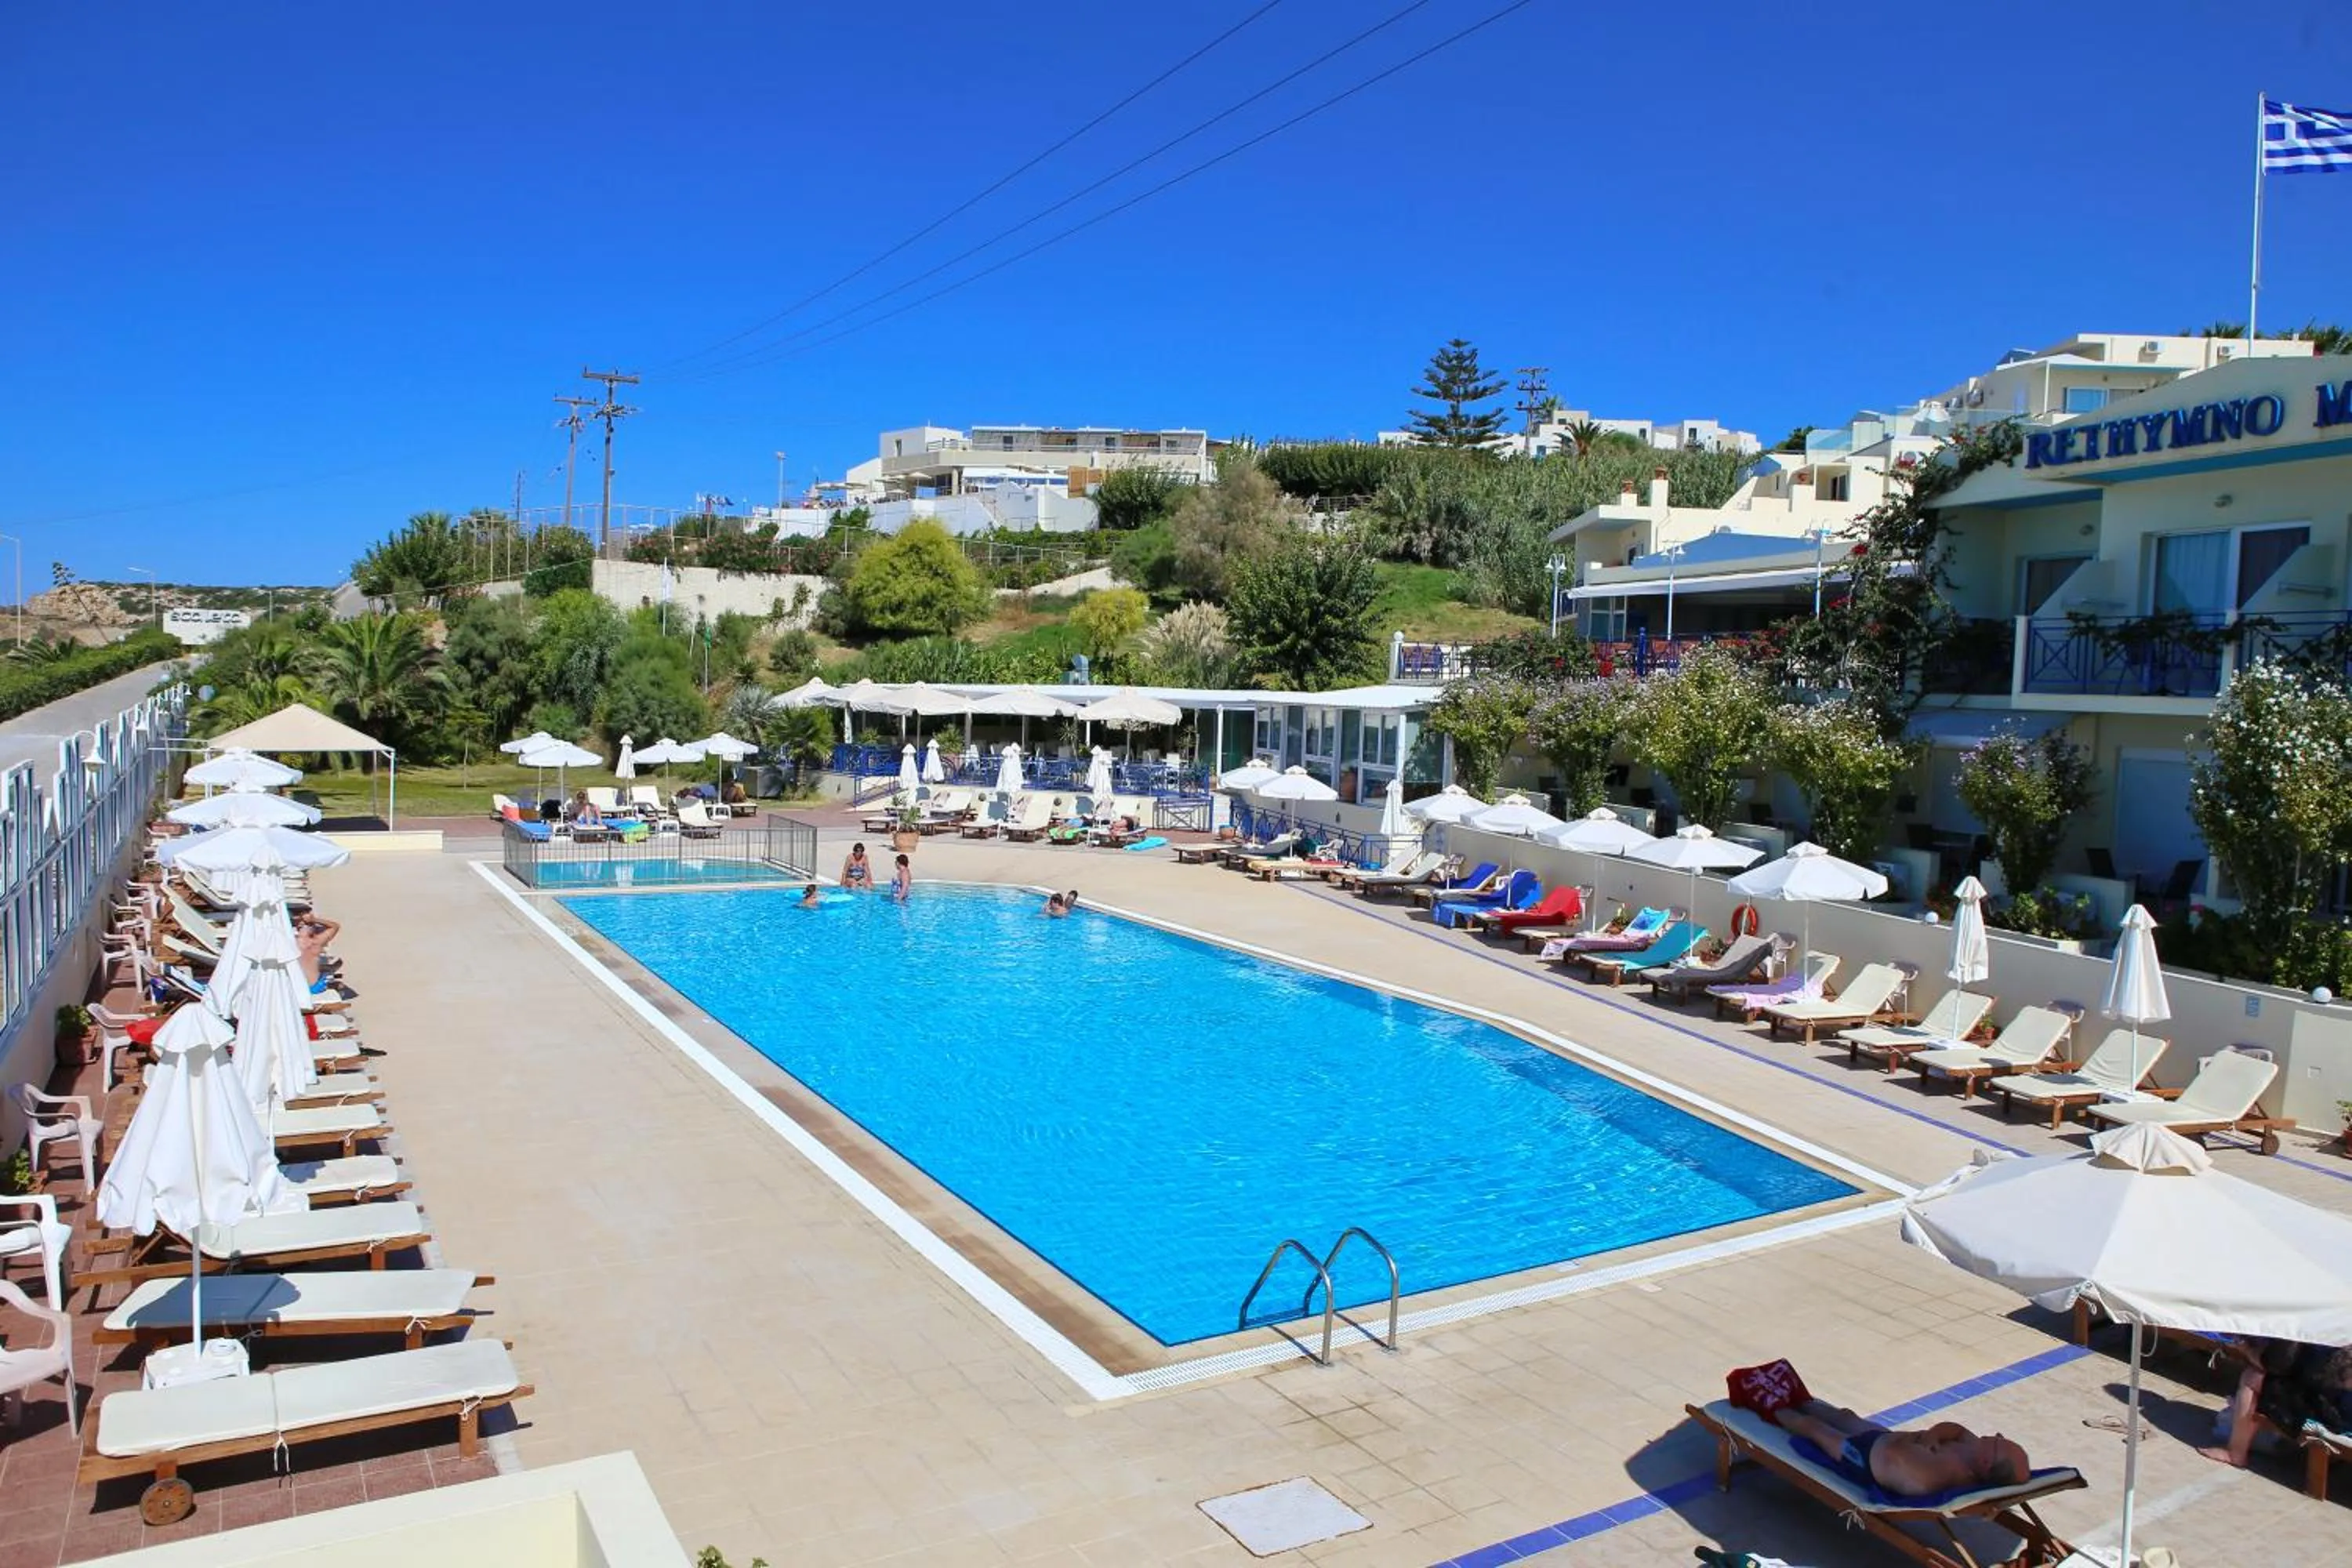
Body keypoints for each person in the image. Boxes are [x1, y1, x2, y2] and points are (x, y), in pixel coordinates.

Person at [1729, 1360, 2030, 1497]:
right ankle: (1801, 1398)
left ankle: (1770, 1404)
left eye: (1998, 1441)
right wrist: (1934, 1436)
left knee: (1813, 1428)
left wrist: (1923, 1441)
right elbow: (1956, 1430)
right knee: (1843, 1414)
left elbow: (1902, 1458)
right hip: (1880, 1441)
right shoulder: (1973, 1451)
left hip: (1861, 1459)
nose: (1994, 1435)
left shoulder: (1942, 1474)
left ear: (1987, 1463)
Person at [2201, 1339, 2352, 1467]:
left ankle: (2236, 1454)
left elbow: (2274, 1362)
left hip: (2339, 1419)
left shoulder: (2316, 1326)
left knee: (2254, 1376)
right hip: (2341, 1408)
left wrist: (2244, 1348)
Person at [294, 913, 342, 988]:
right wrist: (315, 920)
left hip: (298, 986)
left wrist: (313, 920)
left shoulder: (293, 942)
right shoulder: (317, 942)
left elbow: (335, 927)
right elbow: (335, 927)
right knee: (335, 964)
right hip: (314, 986)